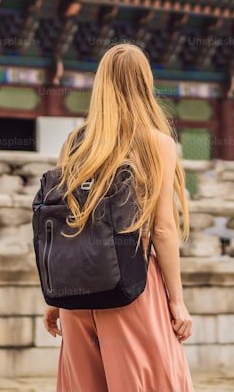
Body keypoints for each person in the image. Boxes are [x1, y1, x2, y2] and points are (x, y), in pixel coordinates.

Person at [42, 43, 195, 392]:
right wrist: (176, 301)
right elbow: (163, 227)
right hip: (132, 286)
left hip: (77, 292)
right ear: (144, 83)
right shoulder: (156, 143)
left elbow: (64, 222)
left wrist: (55, 298)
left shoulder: (74, 143)